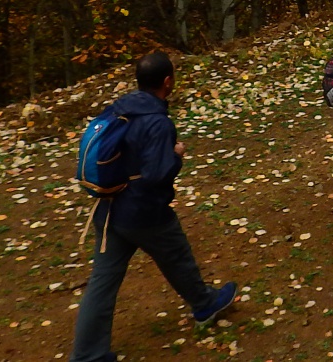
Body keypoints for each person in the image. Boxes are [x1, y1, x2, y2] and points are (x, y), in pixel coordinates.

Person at [69, 53, 238, 362]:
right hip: (143, 212)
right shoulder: (157, 122)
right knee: (177, 257)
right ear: (167, 82)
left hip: (109, 210)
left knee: (102, 283)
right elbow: (157, 174)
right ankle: (204, 304)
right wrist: (176, 154)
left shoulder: (121, 108)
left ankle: (87, 356)